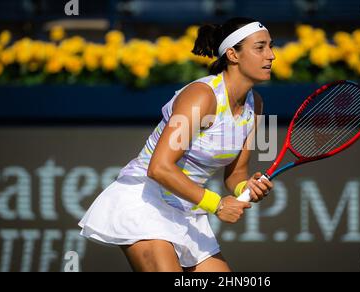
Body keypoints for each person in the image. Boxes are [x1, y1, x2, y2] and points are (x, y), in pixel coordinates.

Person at [79, 17, 276, 272]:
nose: (271, 55)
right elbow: (159, 167)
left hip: (186, 208)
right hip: (144, 200)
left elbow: (236, 174)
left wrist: (245, 186)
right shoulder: (201, 97)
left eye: (271, 46)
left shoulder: (256, 105)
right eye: (260, 47)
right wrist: (217, 204)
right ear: (232, 55)